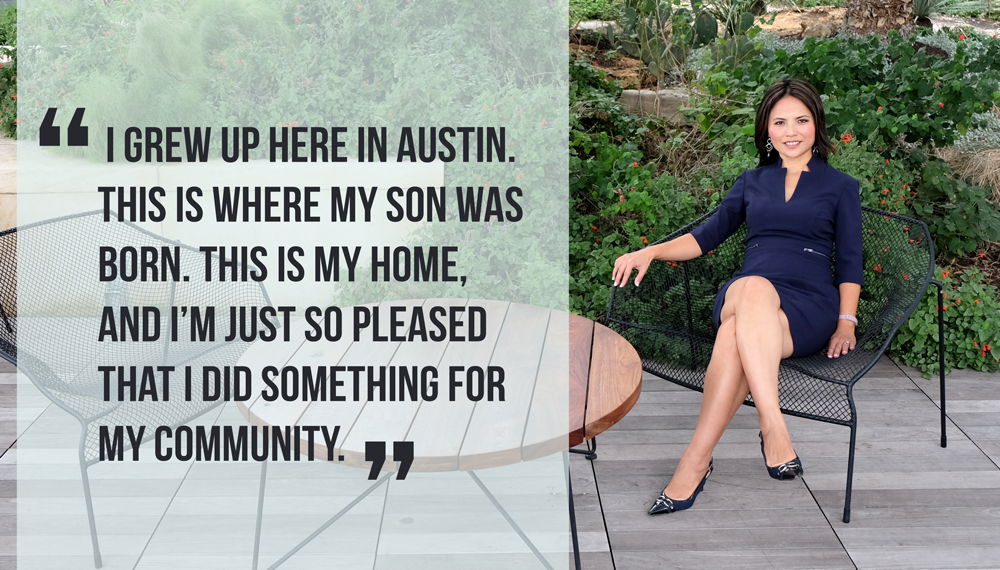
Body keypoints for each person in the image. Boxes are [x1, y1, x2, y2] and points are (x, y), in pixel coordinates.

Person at [611, 78, 864, 515]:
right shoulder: (752, 181)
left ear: (816, 124)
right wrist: (651, 250)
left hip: (806, 307)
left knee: (733, 339)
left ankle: (694, 464)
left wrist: (847, 320)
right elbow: (703, 239)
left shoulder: (841, 186)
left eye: (801, 120)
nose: (791, 131)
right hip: (748, 293)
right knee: (751, 287)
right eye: (780, 121)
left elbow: (850, 262)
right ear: (766, 129)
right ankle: (773, 426)